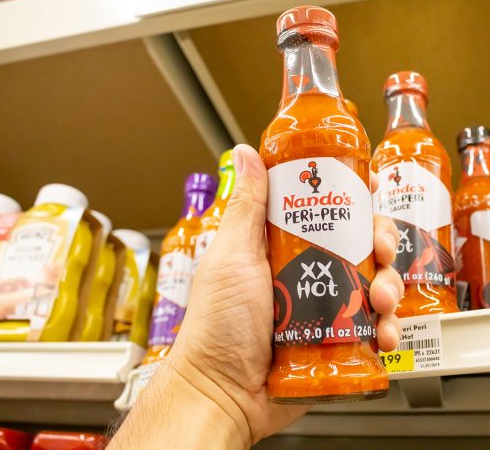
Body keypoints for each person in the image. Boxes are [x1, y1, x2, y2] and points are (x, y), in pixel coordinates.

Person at [109, 144, 404, 449]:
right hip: (280, 360)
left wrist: (208, 390)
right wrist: (211, 380)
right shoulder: (284, 135)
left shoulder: (328, 130)